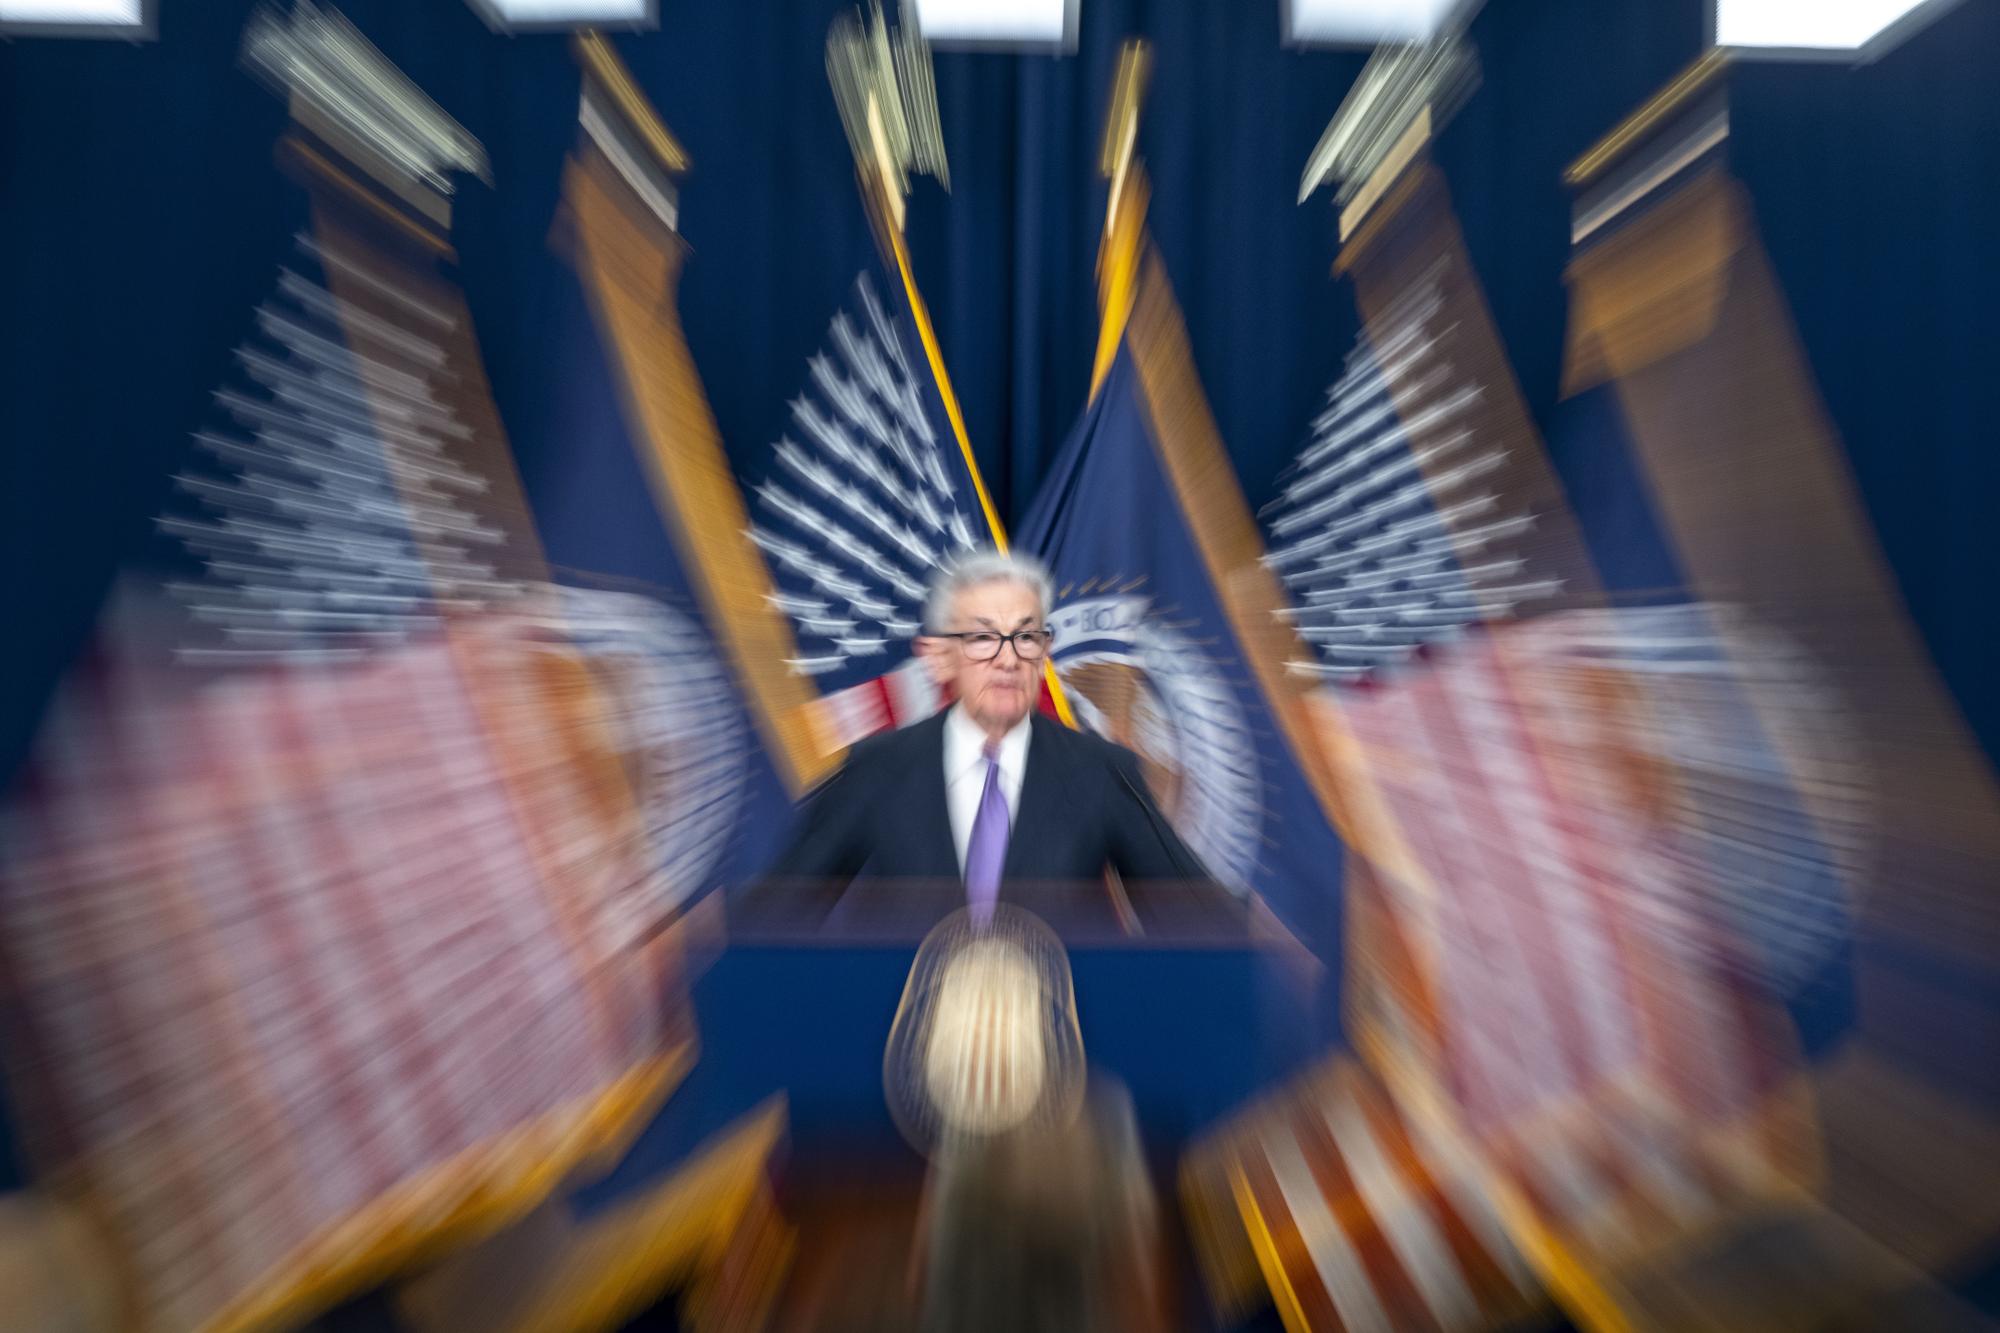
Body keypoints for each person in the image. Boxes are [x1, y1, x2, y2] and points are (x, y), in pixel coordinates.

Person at [764, 549, 1208, 918]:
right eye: (982, 638)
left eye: (1025, 637)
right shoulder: (878, 768)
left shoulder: (1103, 772)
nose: (1008, 659)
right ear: (939, 658)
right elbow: (773, 919)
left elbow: (1201, 922)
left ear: (1044, 653)